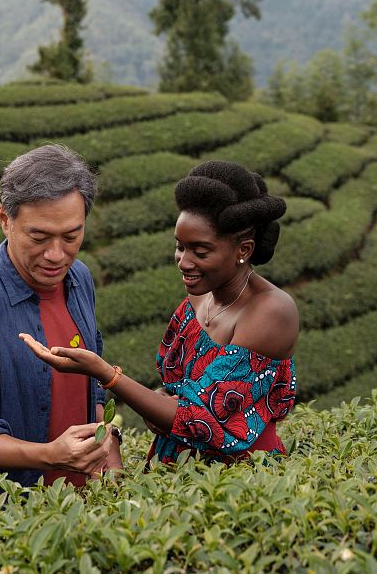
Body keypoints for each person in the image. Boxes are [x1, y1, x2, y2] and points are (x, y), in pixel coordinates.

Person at [22, 160, 298, 464]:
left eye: (200, 251)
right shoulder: (199, 298)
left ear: (243, 250)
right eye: (180, 247)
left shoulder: (272, 311)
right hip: (177, 470)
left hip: (235, 480)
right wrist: (159, 399)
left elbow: (201, 418)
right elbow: (179, 388)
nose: (183, 261)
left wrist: (105, 373)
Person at [0, 144, 120, 516]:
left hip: (77, 506)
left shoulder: (78, 278)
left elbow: (89, 377)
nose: (56, 254)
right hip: (0, 515)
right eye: (39, 237)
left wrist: (106, 445)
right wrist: (50, 457)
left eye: (71, 236)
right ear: (5, 219)